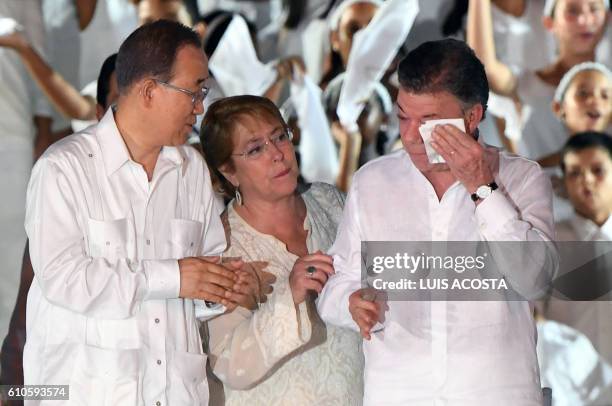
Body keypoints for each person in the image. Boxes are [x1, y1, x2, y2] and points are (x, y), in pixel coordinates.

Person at [22, 20, 254, 406]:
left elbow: (196, 283)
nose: (199, 107)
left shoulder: (190, 170)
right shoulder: (63, 169)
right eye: (193, 91)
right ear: (149, 91)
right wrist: (173, 276)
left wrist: (221, 288)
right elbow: (63, 278)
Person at [317, 38, 558, 405]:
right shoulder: (372, 181)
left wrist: (483, 188)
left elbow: (535, 280)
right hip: (396, 391)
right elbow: (337, 282)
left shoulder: (521, 178)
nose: (410, 136)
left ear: (472, 117)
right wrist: (350, 301)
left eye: (428, 122)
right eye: (402, 117)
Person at [201, 95, 364, 405]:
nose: (277, 154)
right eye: (255, 149)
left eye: (279, 136)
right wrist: (289, 296)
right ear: (229, 171)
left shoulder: (330, 202)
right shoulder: (221, 246)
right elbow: (229, 363)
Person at [0, 52, 119, 399]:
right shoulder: (64, 189)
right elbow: (22, 328)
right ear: (99, 115)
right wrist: (13, 394)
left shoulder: (190, 177)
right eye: (117, 105)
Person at [467, 0, 609, 160]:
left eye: (594, 9)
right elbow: (486, 68)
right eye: (572, 11)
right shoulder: (527, 85)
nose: (584, 20)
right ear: (550, 22)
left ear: (607, 18)